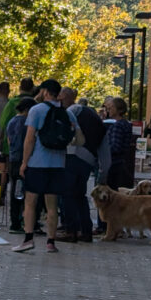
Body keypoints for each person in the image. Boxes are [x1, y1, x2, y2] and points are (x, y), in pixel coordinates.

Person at [13, 79, 81, 254]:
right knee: (52, 205)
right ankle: (51, 242)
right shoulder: (67, 114)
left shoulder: (36, 110)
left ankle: (28, 239)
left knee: (30, 202)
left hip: (37, 163)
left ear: (44, 92)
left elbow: (29, 139)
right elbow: (81, 139)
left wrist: (24, 162)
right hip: (58, 164)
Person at [57, 87, 103, 244]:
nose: (59, 102)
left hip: (73, 155)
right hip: (88, 159)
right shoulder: (92, 114)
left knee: (68, 194)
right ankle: (86, 230)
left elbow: (67, 130)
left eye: (60, 98)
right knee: (80, 195)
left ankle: (71, 230)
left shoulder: (72, 110)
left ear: (66, 97)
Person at [4, 97, 35, 234]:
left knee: (15, 190)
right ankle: (16, 222)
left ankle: (16, 220)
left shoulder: (12, 121)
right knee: (19, 192)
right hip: (21, 159)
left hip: (13, 158)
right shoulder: (25, 123)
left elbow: (9, 140)